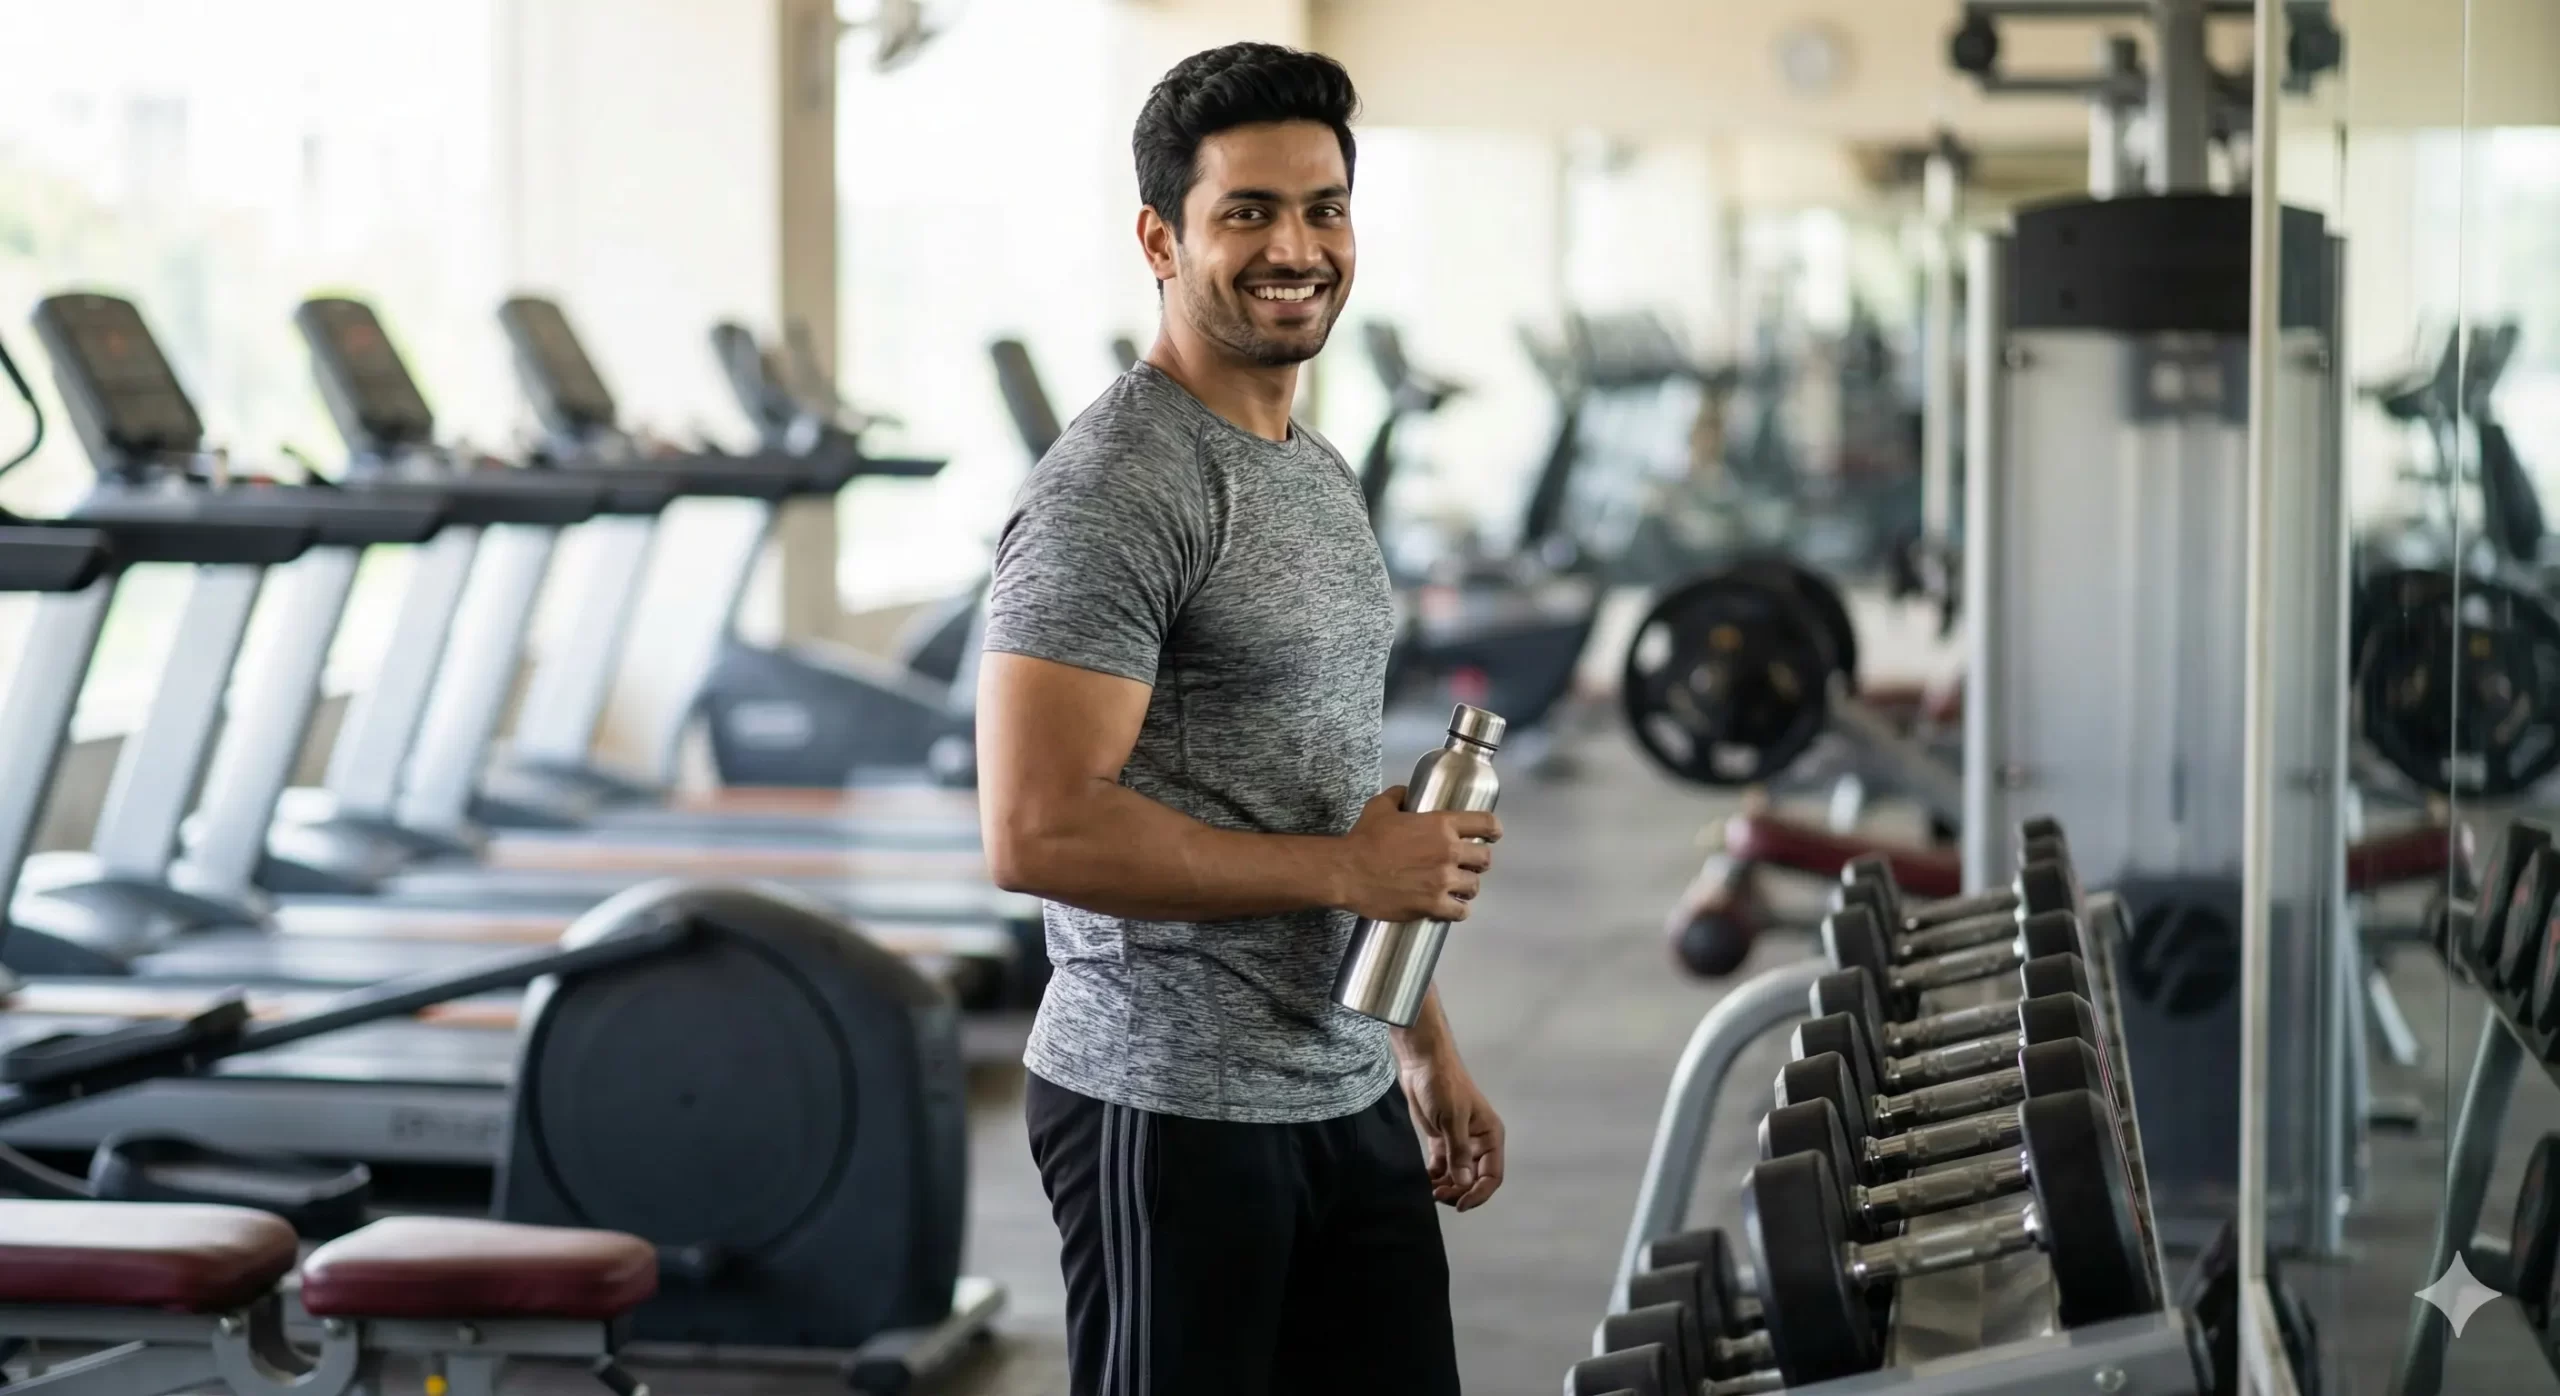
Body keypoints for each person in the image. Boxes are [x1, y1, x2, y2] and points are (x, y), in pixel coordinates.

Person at [975, 40, 1503, 1396]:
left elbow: (1326, 792)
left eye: (1324, 207)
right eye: (1249, 212)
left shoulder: (1312, 471)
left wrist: (1422, 1042)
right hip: (1169, 1107)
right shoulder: (1116, 490)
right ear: (1161, 237)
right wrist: (1347, 872)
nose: (1299, 247)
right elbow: (1036, 830)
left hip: (1338, 1088)